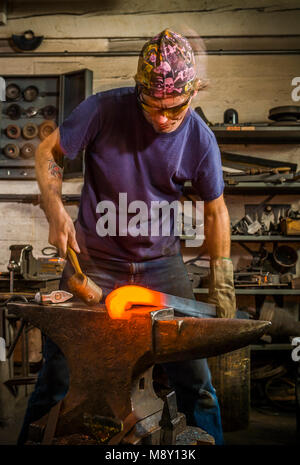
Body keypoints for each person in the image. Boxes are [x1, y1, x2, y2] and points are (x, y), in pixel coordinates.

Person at [18, 29, 236, 445]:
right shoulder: (102, 110)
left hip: (161, 265)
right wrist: (55, 209)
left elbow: (216, 208)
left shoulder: (200, 138)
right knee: (59, 375)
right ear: (139, 90)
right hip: (97, 260)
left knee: (196, 381)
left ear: (192, 95)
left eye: (175, 109)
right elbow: (48, 151)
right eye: (152, 106)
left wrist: (221, 281)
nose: (162, 118)